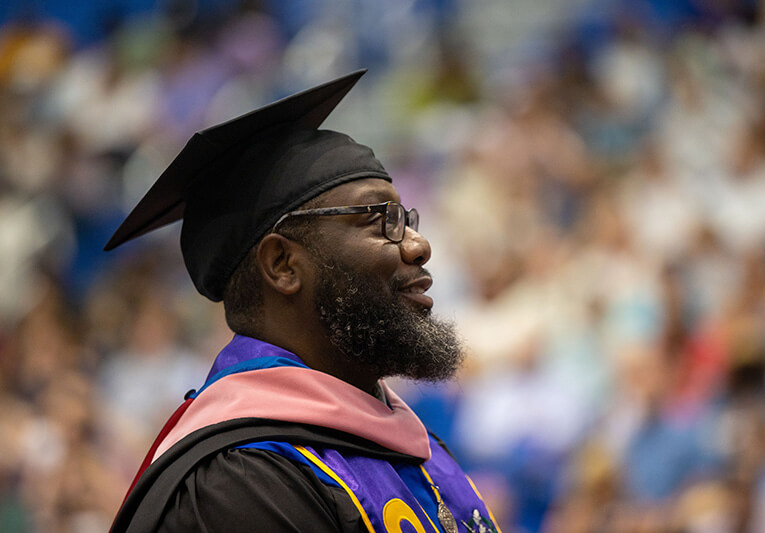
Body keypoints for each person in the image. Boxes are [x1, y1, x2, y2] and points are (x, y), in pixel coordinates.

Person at [105, 70, 501, 533]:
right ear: (282, 265)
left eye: (407, 218)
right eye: (381, 221)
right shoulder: (238, 486)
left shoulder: (415, 448)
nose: (417, 245)